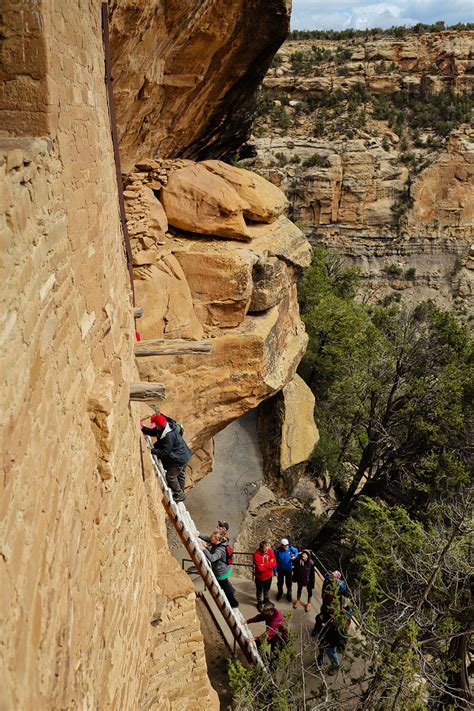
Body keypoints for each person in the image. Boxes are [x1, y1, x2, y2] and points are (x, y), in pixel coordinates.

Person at [141, 413, 192, 503]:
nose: (156, 427)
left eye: (156, 425)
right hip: (184, 454)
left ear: (159, 425)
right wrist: (144, 429)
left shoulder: (169, 436)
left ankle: (179, 494)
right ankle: (181, 493)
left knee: (171, 476)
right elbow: (155, 432)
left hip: (179, 458)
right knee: (180, 475)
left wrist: (152, 450)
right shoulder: (167, 427)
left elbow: (165, 452)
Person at [201, 531, 239, 608]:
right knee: (225, 585)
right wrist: (199, 535)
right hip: (224, 569)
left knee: (225, 587)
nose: (210, 539)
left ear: (216, 539)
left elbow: (212, 558)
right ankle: (232, 595)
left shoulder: (220, 550)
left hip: (221, 572)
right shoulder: (220, 542)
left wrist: (204, 549)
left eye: (212, 538)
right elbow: (208, 539)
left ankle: (234, 603)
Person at [253, 541, 276, 611]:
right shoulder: (256, 555)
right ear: (261, 548)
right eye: (265, 549)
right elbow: (260, 569)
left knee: (267, 590)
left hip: (268, 576)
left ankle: (266, 600)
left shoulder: (269, 551)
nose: (267, 550)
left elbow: (274, 563)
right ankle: (259, 602)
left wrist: (264, 565)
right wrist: (269, 564)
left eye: (267, 548)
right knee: (259, 591)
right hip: (260, 578)